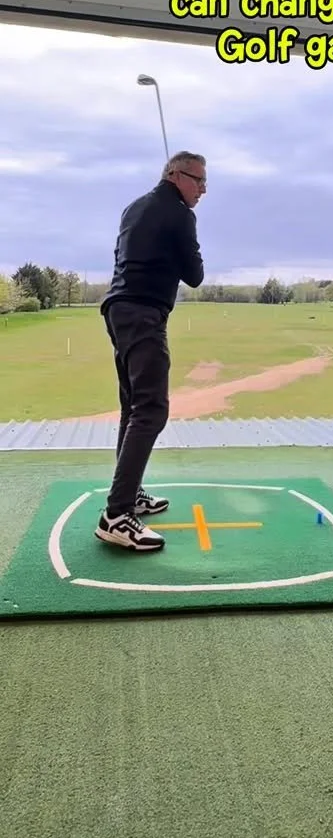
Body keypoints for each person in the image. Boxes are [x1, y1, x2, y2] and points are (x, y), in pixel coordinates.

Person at [96, 150, 206, 552]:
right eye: (199, 180)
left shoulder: (134, 207)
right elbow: (195, 275)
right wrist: (187, 237)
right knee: (152, 409)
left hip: (119, 310)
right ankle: (116, 514)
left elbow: (123, 256)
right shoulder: (180, 214)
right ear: (176, 175)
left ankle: (131, 493)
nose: (203, 190)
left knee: (134, 408)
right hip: (143, 314)